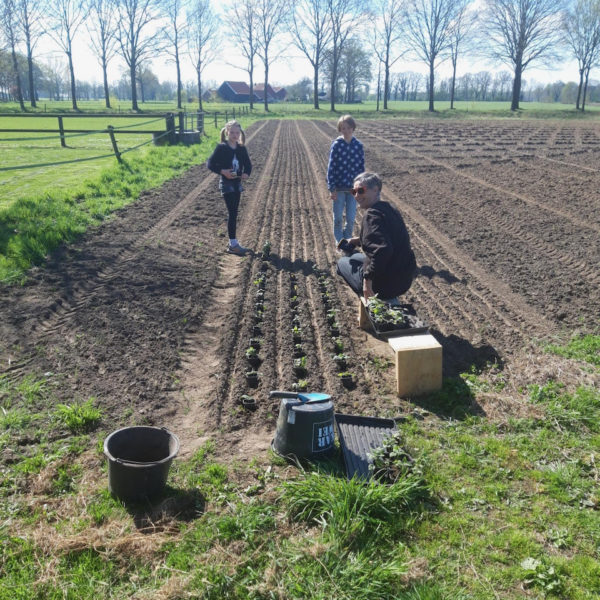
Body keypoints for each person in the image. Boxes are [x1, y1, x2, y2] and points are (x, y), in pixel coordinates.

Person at [336, 172, 416, 303]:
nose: (356, 196)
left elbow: (383, 250)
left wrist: (367, 283)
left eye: (361, 191)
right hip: (403, 280)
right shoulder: (389, 208)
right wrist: (357, 241)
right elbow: (384, 238)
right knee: (354, 257)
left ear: (376, 190)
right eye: (353, 191)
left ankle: (369, 294)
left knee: (342, 263)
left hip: (383, 286)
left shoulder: (372, 215)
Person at [206, 120, 252, 256]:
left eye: (237, 132)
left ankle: (233, 243)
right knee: (232, 212)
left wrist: (246, 174)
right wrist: (222, 171)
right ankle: (233, 245)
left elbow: (248, 165)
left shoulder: (242, 149)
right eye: (232, 132)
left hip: (237, 183)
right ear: (227, 132)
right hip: (226, 184)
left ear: (240, 133)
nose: (234, 135)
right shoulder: (222, 147)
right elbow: (210, 164)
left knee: (234, 212)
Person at [326, 115, 365, 244]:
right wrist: (332, 188)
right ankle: (339, 242)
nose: (346, 130)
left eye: (348, 127)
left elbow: (361, 168)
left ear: (353, 128)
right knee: (337, 217)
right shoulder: (336, 145)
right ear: (340, 129)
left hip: (353, 189)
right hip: (339, 188)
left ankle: (348, 240)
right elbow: (331, 167)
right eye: (343, 128)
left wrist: (361, 188)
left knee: (350, 217)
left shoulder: (358, 146)